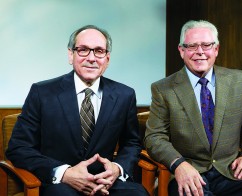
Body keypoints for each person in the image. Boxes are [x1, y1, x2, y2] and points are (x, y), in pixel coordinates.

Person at [6, 25, 148, 196]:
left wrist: (117, 169)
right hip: (60, 184)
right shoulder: (42, 93)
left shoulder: (125, 95)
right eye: (83, 50)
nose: (91, 58)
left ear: (107, 59)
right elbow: (19, 147)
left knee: (138, 193)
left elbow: (131, 143)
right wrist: (64, 173)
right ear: (70, 55)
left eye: (99, 51)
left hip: (105, 182)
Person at [144, 20, 242, 196]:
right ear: (181, 51)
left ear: (216, 49)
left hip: (233, 172)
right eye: (192, 46)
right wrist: (179, 164)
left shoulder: (239, 80)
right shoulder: (163, 89)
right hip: (190, 174)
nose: (200, 52)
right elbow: (155, 137)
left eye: (206, 45)